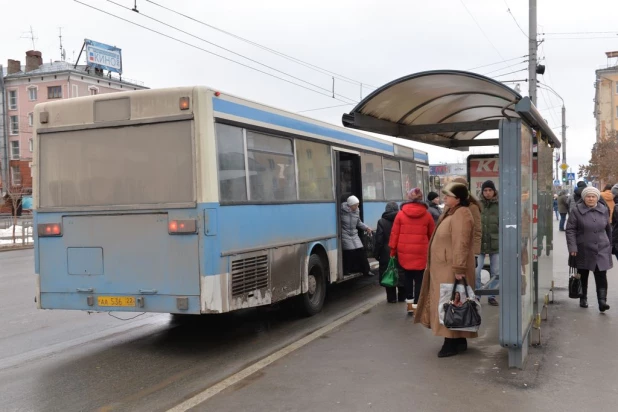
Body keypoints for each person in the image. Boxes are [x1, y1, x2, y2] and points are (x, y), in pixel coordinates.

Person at [414, 182, 477, 358]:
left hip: (451, 268)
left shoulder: (461, 214)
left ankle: (449, 342)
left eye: (448, 196)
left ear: (458, 199)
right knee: (453, 302)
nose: (444, 198)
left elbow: (461, 243)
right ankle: (458, 340)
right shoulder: (452, 212)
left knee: (449, 304)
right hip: (445, 266)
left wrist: (459, 268)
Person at [389, 188, 435, 314]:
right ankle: (417, 304)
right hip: (421, 251)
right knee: (419, 278)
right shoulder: (427, 214)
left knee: (407, 278)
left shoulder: (400, 214)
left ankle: (409, 306)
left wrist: (392, 251)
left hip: (405, 251)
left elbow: (394, 234)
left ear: (408, 198)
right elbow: (432, 235)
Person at [566, 186, 612, 312]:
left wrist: (610, 244)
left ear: (597, 198)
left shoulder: (603, 209)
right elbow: (570, 230)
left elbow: (608, 228)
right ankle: (583, 298)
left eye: (593, 196)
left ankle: (602, 301)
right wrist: (572, 247)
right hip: (583, 248)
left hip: (602, 248)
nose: (591, 198)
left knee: (601, 275)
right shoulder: (576, 211)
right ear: (584, 198)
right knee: (583, 275)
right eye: (588, 196)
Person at [374, 202, 406, 303]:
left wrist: (376, 254)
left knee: (388, 272)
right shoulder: (402, 219)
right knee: (401, 273)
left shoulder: (382, 222)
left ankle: (391, 298)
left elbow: (379, 240)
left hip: (386, 252)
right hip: (401, 251)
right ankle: (402, 297)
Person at [452, 177, 482, 276]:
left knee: (469, 279)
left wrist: (475, 254)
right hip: (451, 250)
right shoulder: (448, 207)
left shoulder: (472, 207)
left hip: (466, 250)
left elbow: (477, 231)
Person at [477, 180, 499, 306]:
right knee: (476, 271)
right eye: (485, 190)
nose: (488, 193)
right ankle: (477, 294)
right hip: (479, 243)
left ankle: (492, 295)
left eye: (490, 190)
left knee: (495, 272)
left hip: (496, 243)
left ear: (494, 191)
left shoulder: (499, 204)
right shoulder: (478, 205)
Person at [341, 195, 373, 277]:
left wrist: (366, 228)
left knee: (361, 250)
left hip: (354, 234)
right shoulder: (341, 211)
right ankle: (347, 270)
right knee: (349, 252)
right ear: (350, 205)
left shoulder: (357, 211)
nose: (357, 206)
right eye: (355, 205)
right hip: (345, 234)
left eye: (357, 205)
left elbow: (358, 222)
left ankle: (366, 270)